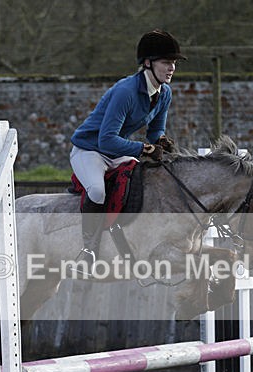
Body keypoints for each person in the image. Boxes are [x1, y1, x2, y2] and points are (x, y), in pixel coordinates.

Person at [70, 29, 187, 273]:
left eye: (173, 62)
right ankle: (88, 252)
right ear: (147, 63)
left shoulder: (164, 93)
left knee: (145, 179)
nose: (172, 68)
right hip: (89, 150)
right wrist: (144, 148)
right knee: (98, 190)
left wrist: (162, 142)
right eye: (166, 62)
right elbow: (106, 140)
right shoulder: (126, 91)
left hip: (114, 151)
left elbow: (155, 132)